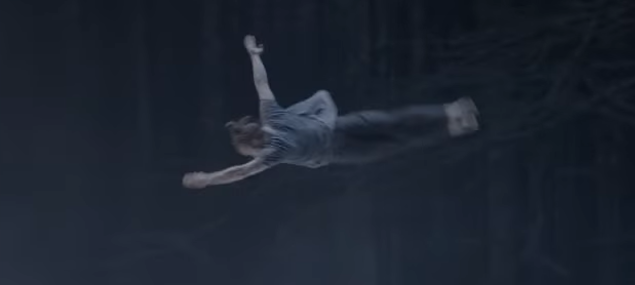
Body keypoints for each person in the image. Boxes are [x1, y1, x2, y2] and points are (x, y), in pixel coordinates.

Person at [181, 35, 480, 190]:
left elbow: (239, 172)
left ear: (252, 145)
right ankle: (450, 117)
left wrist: (208, 179)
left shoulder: (272, 153)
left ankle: (449, 118)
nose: (248, 156)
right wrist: (253, 55)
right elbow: (261, 83)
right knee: (396, 125)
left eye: (246, 152)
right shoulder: (270, 115)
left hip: (341, 144)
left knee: (397, 133)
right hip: (341, 131)